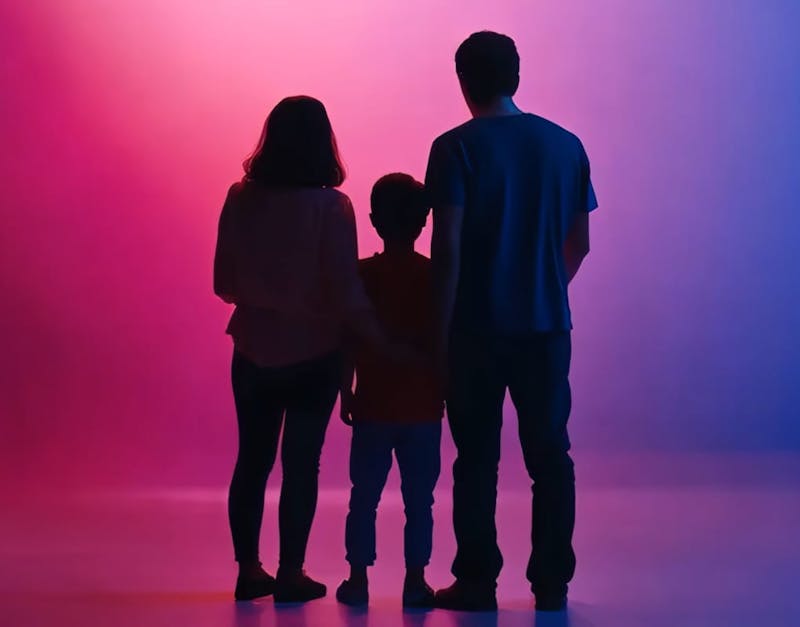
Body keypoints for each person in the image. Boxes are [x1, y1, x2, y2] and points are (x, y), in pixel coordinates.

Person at [425, 31, 598, 612]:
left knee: (476, 458)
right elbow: (580, 242)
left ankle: (477, 581)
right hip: (546, 328)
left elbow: (446, 244)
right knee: (550, 456)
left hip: (473, 327)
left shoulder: (454, 148)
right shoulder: (566, 145)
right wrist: (545, 288)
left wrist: (437, 330)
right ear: (516, 76)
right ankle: (551, 583)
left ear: (463, 79)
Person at [213, 96, 394, 603]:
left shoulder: (240, 197)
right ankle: (291, 572)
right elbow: (345, 290)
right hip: (316, 354)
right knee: (302, 465)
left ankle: (249, 570)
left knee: (251, 461)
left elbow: (223, 280)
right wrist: (382, 343)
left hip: (252, 347)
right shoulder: (332, 206)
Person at [335, 174, 444, 609]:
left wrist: (346, 390)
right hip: (422, 407)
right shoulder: (434, 276)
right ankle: (415, 581)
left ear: (374, 220)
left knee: (364, 496)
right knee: (420, 500)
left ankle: (357, 578)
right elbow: (441, 339)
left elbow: (347, 338)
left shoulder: (362, 274)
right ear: (424, 223)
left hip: (373, 405)